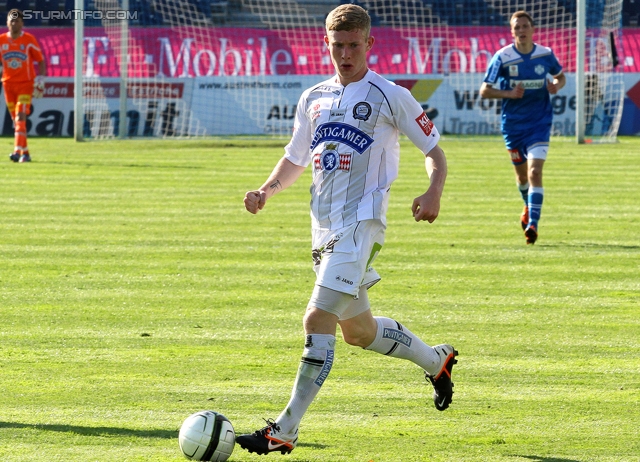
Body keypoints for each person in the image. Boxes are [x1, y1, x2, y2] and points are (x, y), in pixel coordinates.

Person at [237, 4, 457, 456]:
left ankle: (285, 428)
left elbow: (434, 149)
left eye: (354, 45)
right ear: (327, 45)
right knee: (358, 332)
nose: (345, 54)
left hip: (362, 225)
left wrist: (433, 190)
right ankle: (437, 361)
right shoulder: (312, 98)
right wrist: (266, 191)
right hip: (323, 231)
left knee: (317, 319)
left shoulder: (390, 94)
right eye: (338, 46)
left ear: (369, 44)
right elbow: (296, 159)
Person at [479, 10, 565, 245]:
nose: (521, 30)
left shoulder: (545, 55)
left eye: (525, 26)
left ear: (533, 29)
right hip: (513, 125)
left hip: (539, 123)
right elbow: (485, 90)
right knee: (521, 177)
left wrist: (556, 85)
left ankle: (533, 224)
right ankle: (528, 206)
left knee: (535, 172)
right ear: (512, 31)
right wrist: (508, 93)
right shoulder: (503, 57)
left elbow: (560, 76)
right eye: (517, 27)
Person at [0, 9, 46, 163]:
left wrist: (40, 79)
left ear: (22, 23)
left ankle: (16, 152)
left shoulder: (28, 39)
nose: (14, 23)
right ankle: (26, 153)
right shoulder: (1, 41)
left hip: (25, 84)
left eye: (17, 21)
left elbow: (40, 60)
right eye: (11, 21)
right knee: (17, 121)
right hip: (8, 84)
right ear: (7, 23)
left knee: (20, 117)